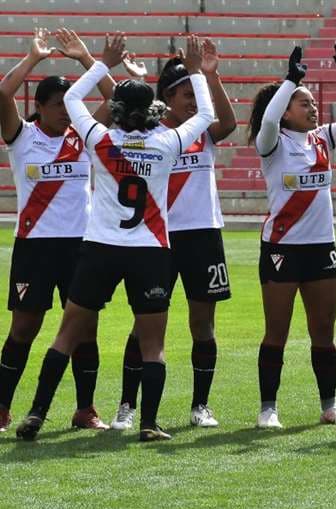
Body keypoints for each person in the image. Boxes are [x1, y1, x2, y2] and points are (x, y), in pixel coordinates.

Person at [15, 33, 214, 442]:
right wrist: (195, 72)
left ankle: (36, 413)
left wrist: (101, 62)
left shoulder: (100, 139)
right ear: (154, 111)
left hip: (101, 248)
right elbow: (207, 114)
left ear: (118, 110)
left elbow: (73, 102)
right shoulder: (167, 141)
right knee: (152, 345)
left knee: (66, 334)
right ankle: (149, 423)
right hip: (150, 250)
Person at [0, 28, 131, 433]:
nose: (64, 110)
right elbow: (3, 96)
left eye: (66, 104)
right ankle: (2, 409)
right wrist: (34, 58)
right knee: (24, 328)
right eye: (56, 105)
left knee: (83, 329)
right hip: (34, 248)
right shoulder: (22, 136)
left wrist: (88, 59)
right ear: (38, 108)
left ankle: (85, 409)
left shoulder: (83, 135)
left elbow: (117, 99)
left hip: (80, 247)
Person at [110, 38, 237, 431]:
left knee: (203, 323)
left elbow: (229, 124)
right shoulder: (152, 134)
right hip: (158, 239)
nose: (191, 101)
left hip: (203, 235)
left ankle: (200, 405)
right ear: (167, 97)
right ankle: (127, 405)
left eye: (192, 93)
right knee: (144, 325)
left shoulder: (204, 131)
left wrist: (208, 74)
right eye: (185, 94)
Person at [249, 41, 336, 428]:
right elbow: (267, 122)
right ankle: (268, 409)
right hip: (282, 248)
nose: (312, 108)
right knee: (277, 334)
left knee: (324, 333)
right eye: (304, 103)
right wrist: (289, 81)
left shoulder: (322, 139)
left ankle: (330, 406)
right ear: (285, 110)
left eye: (311, 103)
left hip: (322, 249)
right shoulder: (272, 143)